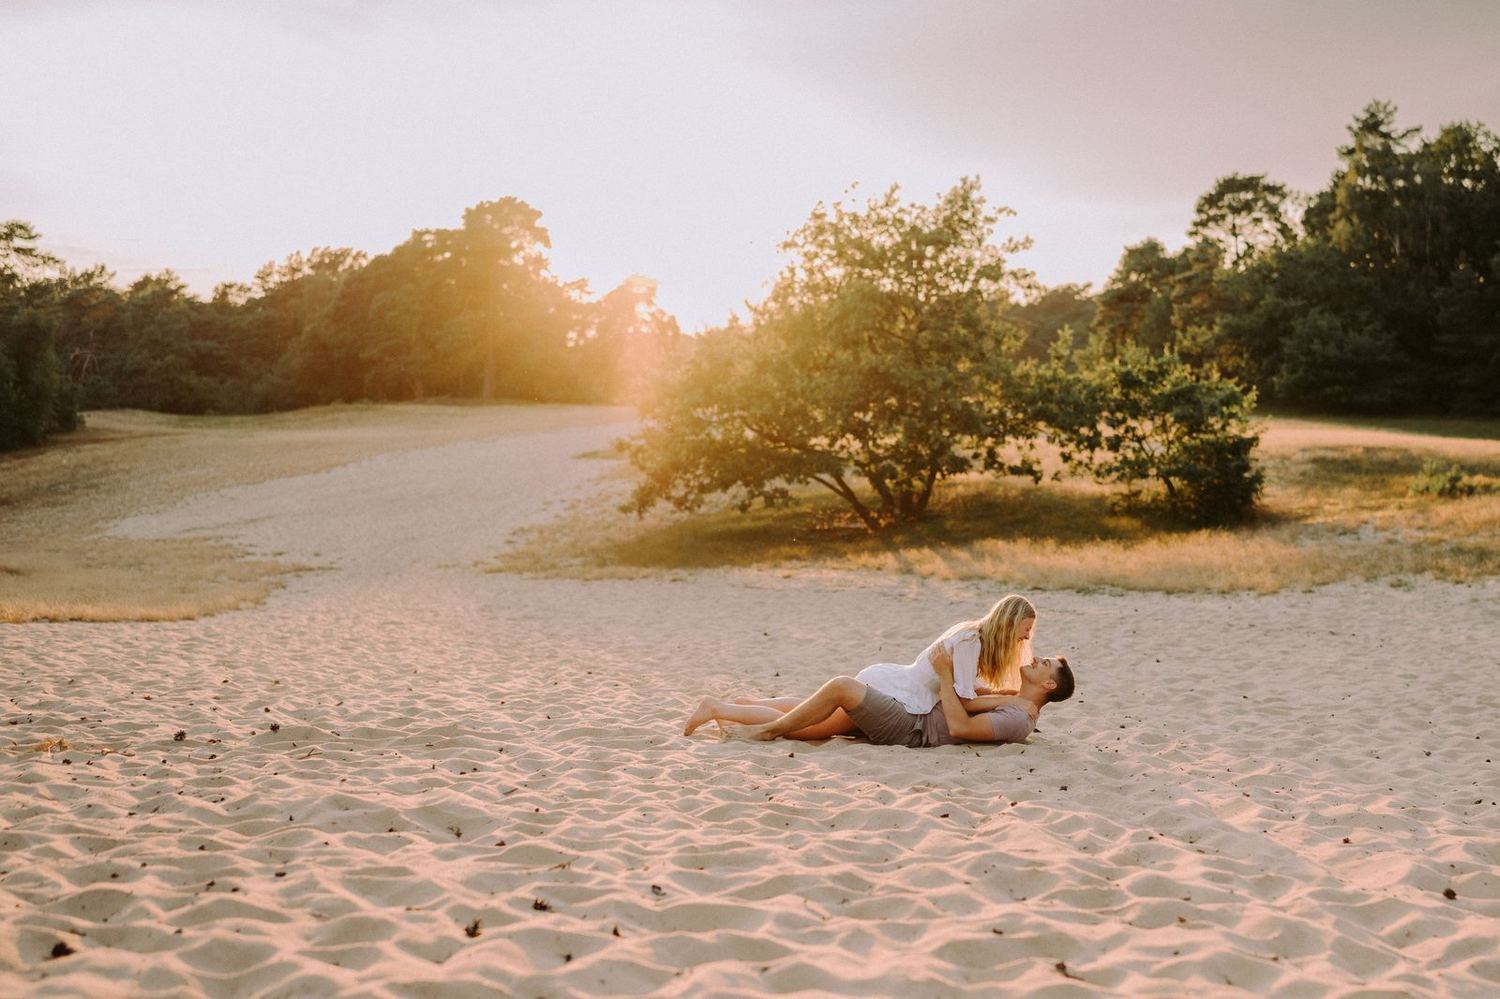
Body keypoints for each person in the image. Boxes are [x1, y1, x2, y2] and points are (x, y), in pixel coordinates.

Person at [682, 594, 1038, 741]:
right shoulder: (969, 641)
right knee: (813, 730)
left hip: (892, 684)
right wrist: (1008, 700)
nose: (1023, 643)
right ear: (1007, 626)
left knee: (810, 712)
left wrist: (1004, 692)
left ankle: (740, 706)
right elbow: (962, 701)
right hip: (899, 698)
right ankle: (721, 708)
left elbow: (966, 689)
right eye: (1022, 635)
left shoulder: (971, 639)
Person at [705, 649, 1074, 747]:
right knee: (820, 720)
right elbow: (968, 701)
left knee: (841, 688)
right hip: (911, 711)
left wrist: (946, 675)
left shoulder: (1018, 719)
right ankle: (734, 709)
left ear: (1049, 686)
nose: (1037, 660)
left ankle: (763, 727)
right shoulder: (1014, 701)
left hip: (913, 728)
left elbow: (960, 727)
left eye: (1046, 665)